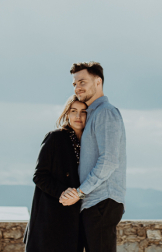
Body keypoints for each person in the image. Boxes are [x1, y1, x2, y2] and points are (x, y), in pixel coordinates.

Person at [59, 61, 126, 252]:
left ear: (98, 81)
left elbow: (109, 160)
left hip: (102, 201)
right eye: (75, 84)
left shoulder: (105, 112)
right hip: (93, 202)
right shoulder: (92, 115)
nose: (77, 87)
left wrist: (80, 192)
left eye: (82, 82)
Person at [24, 95, 88, 252]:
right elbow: (39, 175)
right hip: (49, 219)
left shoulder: (90, 143)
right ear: (67, 114)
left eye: (83, 111)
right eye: (73, 111)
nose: (78, 116)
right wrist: (62, 191)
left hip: (75, 222)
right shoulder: (55, 138)